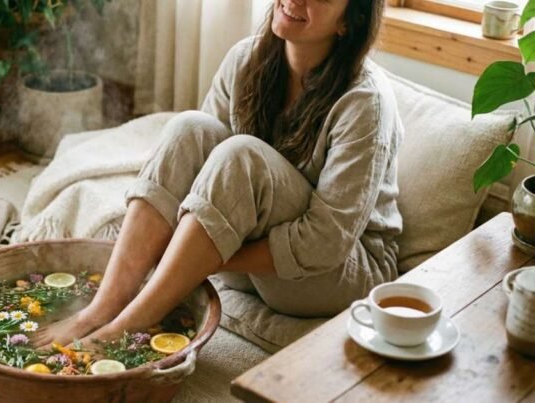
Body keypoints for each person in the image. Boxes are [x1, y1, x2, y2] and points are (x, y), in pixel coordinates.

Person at [34, 0, 402, 348]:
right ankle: (99, 309)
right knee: (190, 127)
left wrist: (196, 259)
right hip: (247, 249)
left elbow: (325, 243)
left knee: (241, 153)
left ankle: (122, 330)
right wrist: (180, 248)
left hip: (337, 271)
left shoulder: (364, 101)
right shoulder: (246, 58)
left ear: (347, 22)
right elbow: (203, 173)